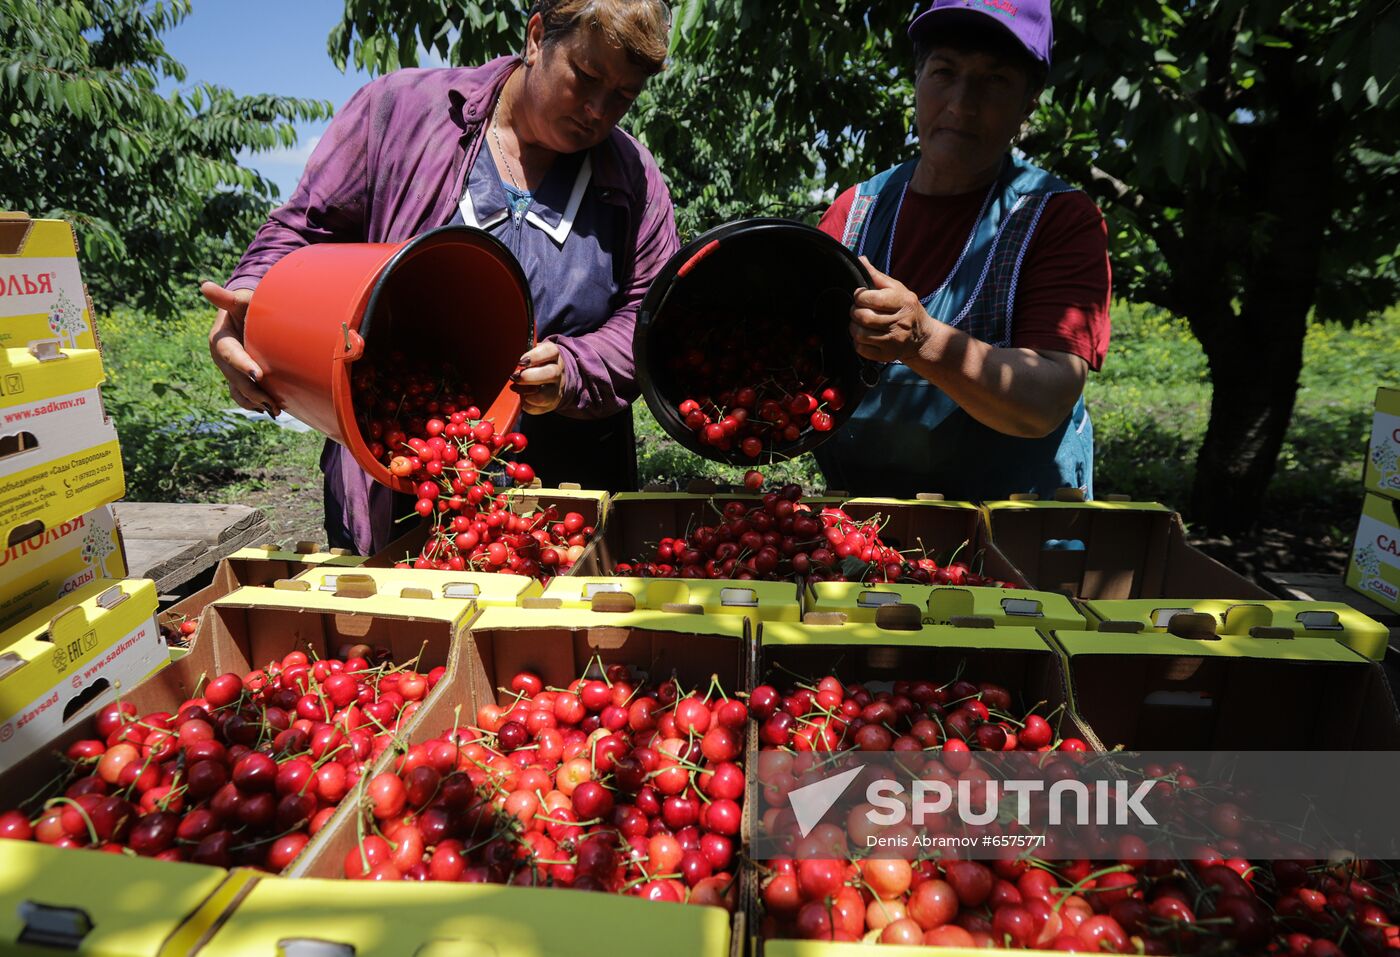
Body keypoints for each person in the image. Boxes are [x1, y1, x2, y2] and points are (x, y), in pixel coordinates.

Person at [202, 0, 678, 555]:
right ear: (536, 38)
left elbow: (650, 316)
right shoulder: (402, 113)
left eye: (623, 95)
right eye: (586, 76)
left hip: (561, 489)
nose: (598, 110)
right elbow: (303, 230)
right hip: (399, 452)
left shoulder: (632, 179)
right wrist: (251, 305)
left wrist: (576, 367)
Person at [815, 0, 1111, 501]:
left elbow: (1041, 402)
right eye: (944, 72)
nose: (961, 103)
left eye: (994, 80)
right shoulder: (853, 214)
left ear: (1029, 102)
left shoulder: (1058, 219)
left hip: (1014, 546)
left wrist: (922, 340)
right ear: (917, 80)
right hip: (863, 536)